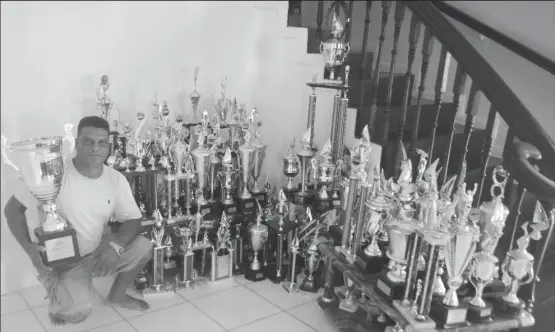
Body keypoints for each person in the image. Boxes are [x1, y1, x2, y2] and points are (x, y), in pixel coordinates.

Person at [4, 116, 152, 325]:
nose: (95, 148)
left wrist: (115, 246)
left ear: (109, 146)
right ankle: (58, 282)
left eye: (101, 143)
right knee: (76, 313)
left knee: (144, 247)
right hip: (63, 260)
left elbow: (133, 219)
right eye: (88, 141)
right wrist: (29, 248)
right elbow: (12, 210)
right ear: (76, 142)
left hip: (97, 250)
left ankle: (116, 295)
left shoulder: (115, 178)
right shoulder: (52, 173)